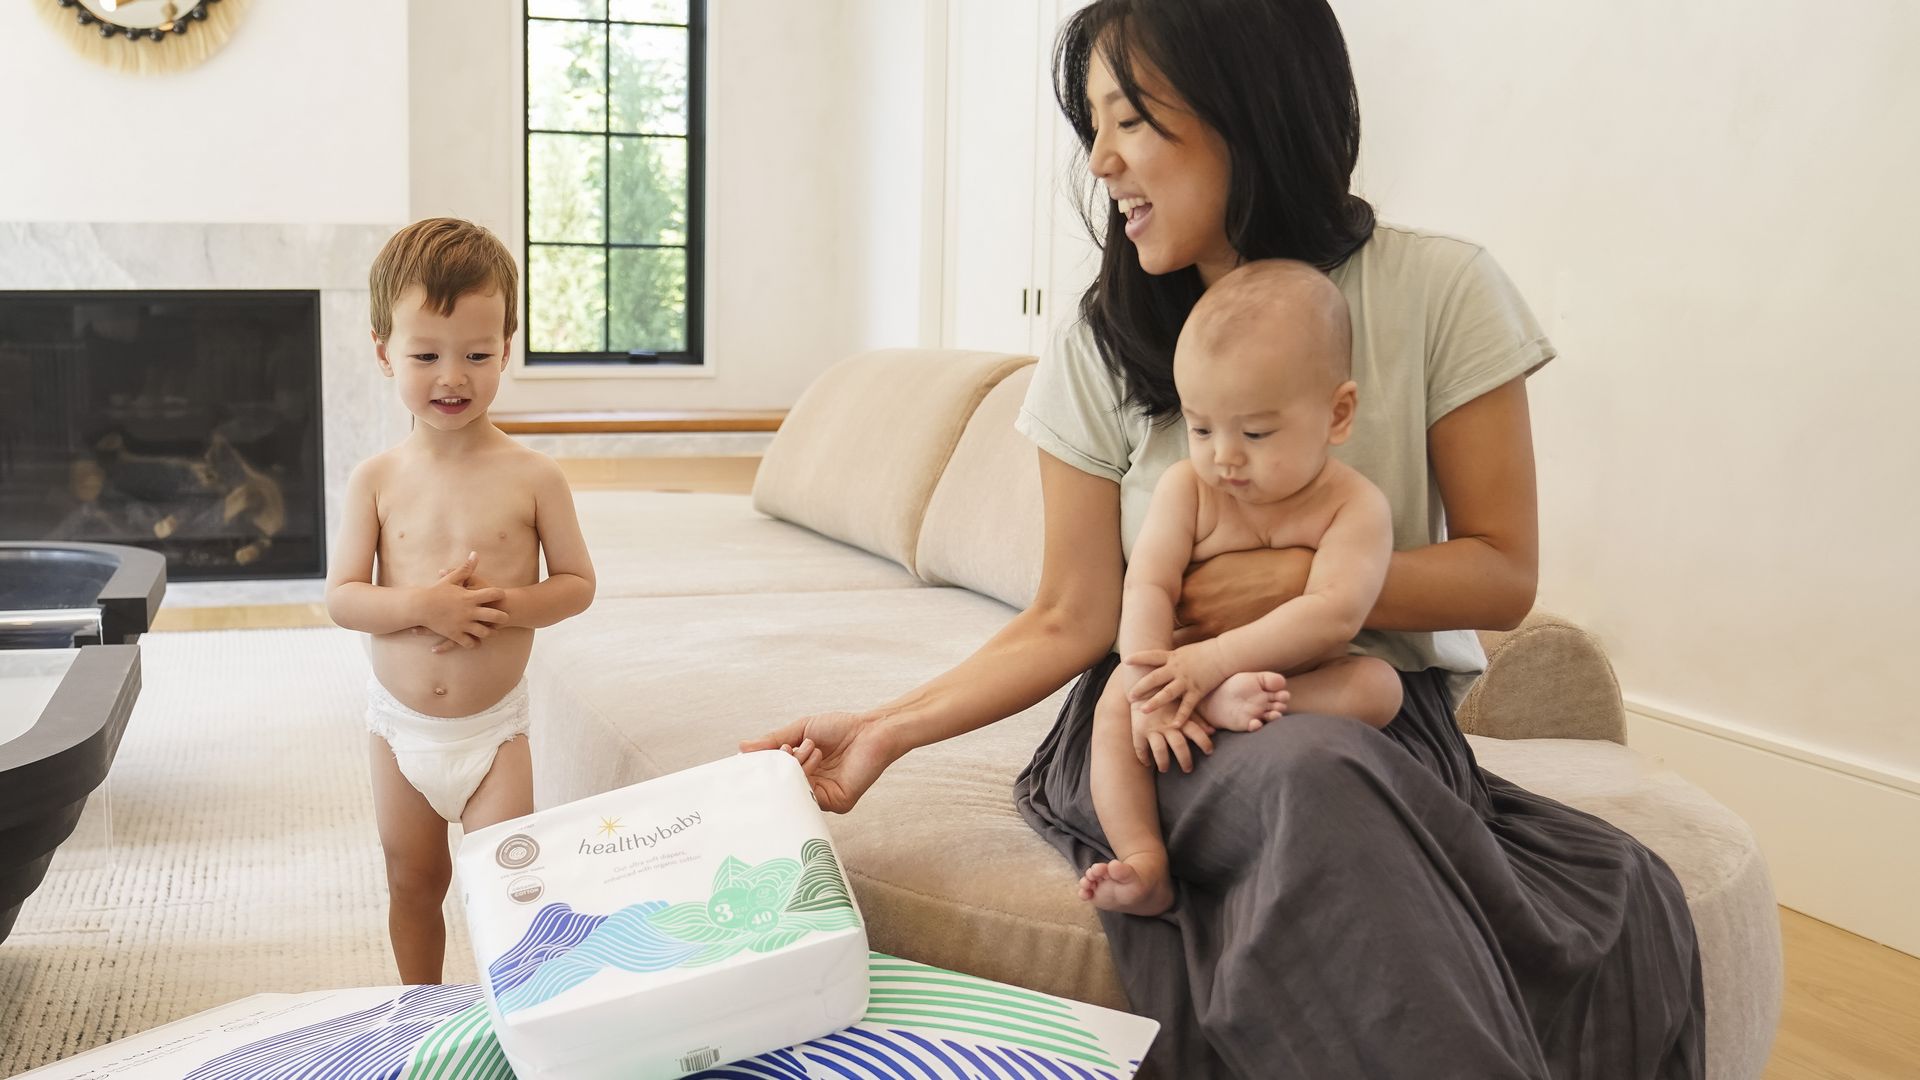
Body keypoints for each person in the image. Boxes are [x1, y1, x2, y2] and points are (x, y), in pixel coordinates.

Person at [747, 1, 1705, 1075]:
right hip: (1163, 718)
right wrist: (886, 728)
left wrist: (1306, 593)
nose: (1101, 161)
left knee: (1362, 780)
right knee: (1307, 777)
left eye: (1131, 119)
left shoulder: (1440, 289)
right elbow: (1072, 616)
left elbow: (1501, 573)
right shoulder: (1102, 345)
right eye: (1092, 127)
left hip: (1367, 706)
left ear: (1248, 107)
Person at [1082, 259, 1403, 916]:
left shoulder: (1354, 507)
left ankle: (1233, 701)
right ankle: (1144, 859)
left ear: (1337, 415)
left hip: (1294, 678)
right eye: (1201, 428)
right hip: (1182, 668)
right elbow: (1147, 585)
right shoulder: (1188, 490)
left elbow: (1335, 613)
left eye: (1255, 433)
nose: (1224, 456)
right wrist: (1150, 679)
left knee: (1381, 688)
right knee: (1116, 702)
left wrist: (1221, 662)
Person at [326, 217, 595, 984]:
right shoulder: (375, 479)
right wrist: (424, 607)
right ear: (383, 352)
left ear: (507, 348)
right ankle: (420, 1017)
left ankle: (512, 1016)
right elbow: (344, 598)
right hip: (399, 727)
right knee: (414, 882)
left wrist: (500, 606)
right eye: (426, 355)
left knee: (508, 888)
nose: (453, 377)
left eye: (478, 355)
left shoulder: (533, 476)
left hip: (493, 732)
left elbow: (577, 586)